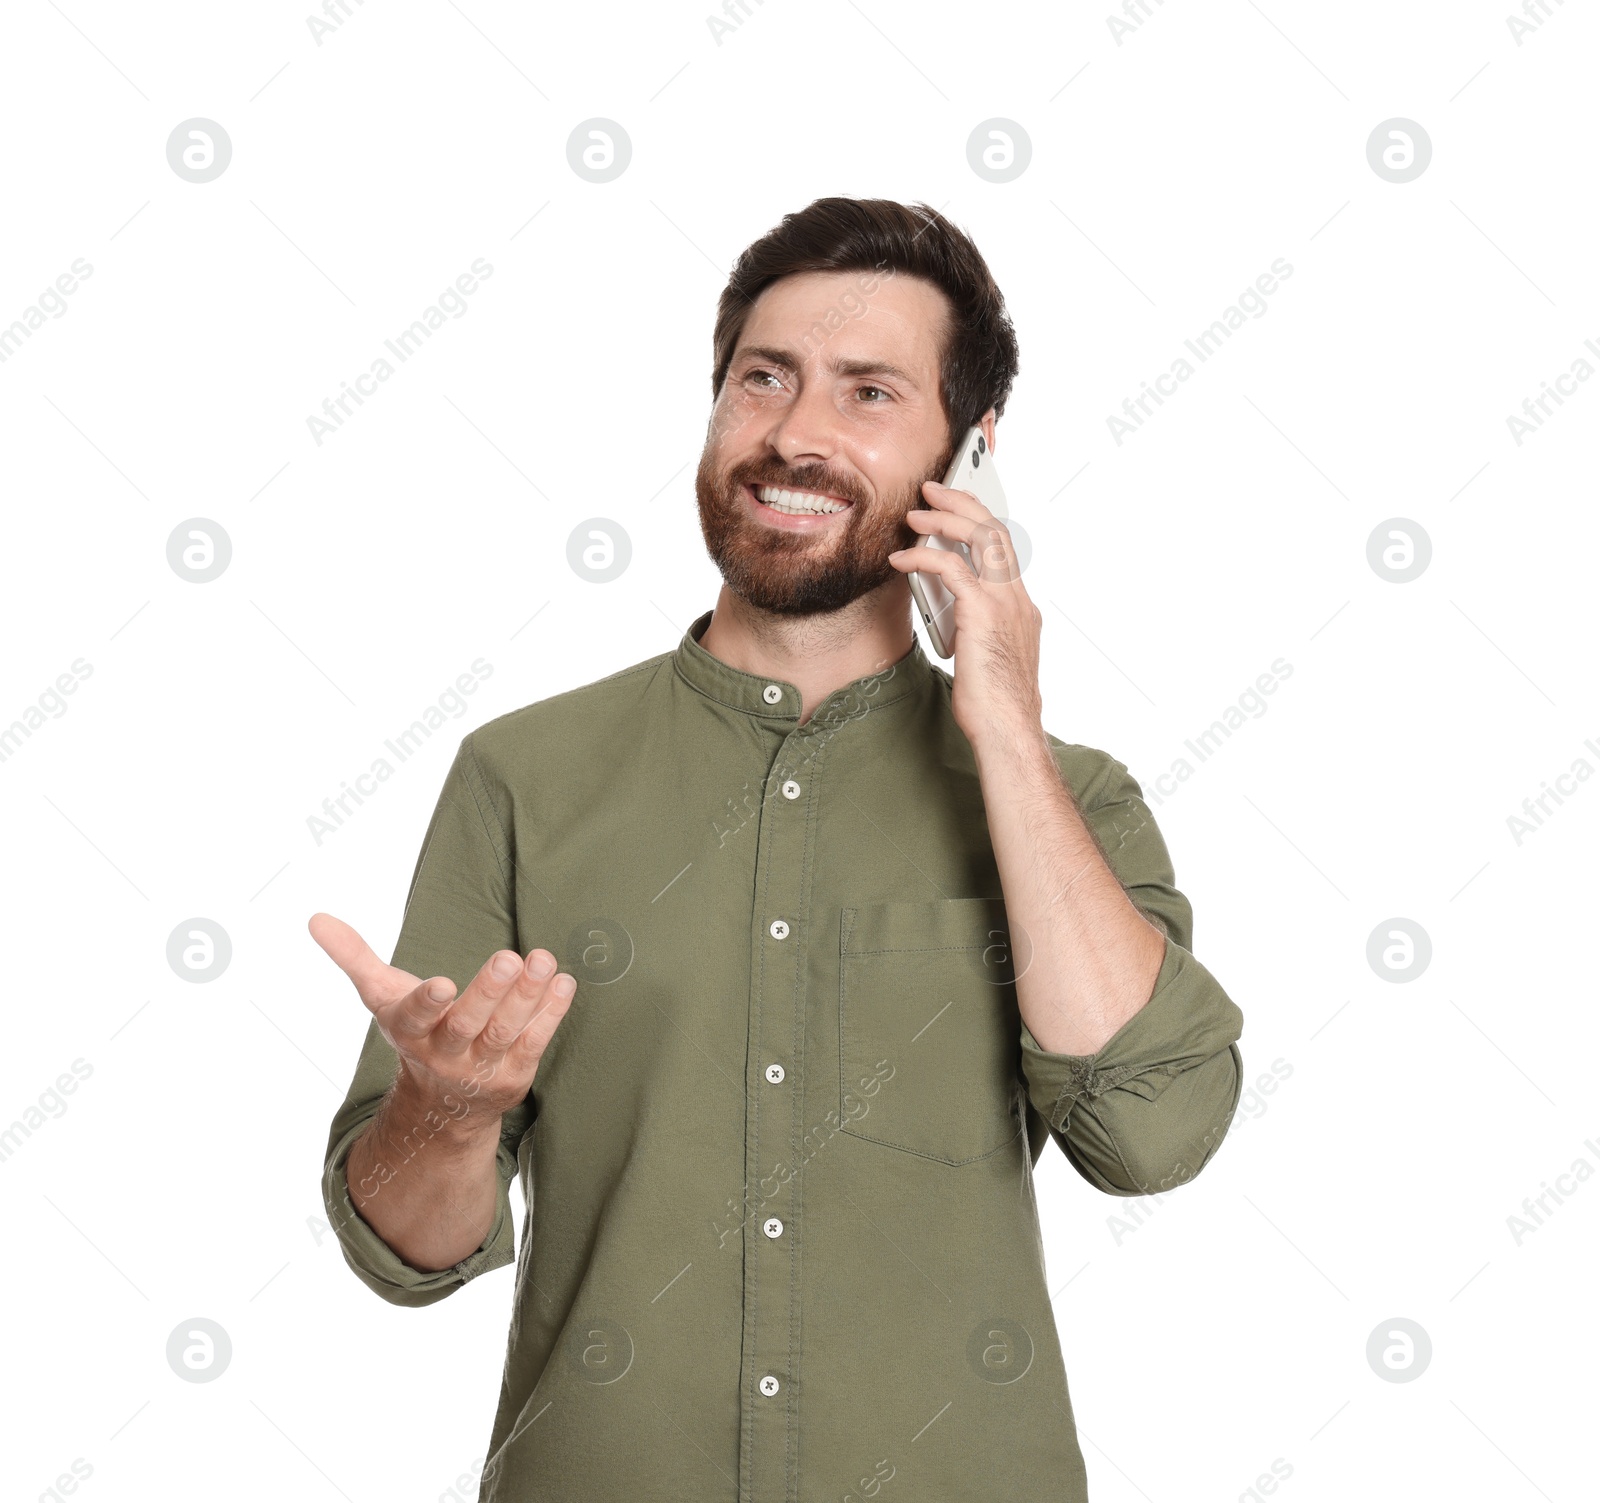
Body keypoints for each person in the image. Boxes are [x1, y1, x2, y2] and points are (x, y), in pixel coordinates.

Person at [312, 196, 1244, 1502]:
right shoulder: (524, 776)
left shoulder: (1067, 799)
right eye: (764, 379)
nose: (795, 435)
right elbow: (402, 1249)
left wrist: (1006, 730)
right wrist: (447, 1110)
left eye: (869, 392)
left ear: (970, 452)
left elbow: (1156, 1138)